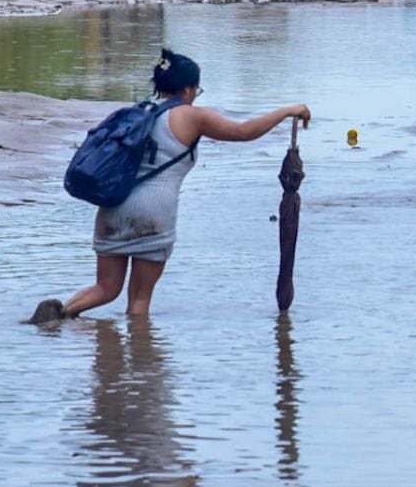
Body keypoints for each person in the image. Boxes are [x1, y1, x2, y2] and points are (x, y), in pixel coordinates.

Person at [30, 50, 311, 321]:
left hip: (112, 209)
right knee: (139, 300)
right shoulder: (191, 116)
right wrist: (288, 111)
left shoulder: (137, 113)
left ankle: (60, 315)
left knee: (106, 288)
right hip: (154, 215)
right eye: (196, 89)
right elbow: (243, 132)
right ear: (187, 89)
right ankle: (140, 352)